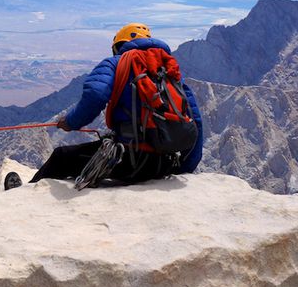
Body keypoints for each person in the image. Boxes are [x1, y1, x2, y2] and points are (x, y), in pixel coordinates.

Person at [29, 22, 203, 185]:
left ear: (119, 46)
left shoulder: (117, 62)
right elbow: (195, 121)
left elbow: (96, 94)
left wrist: (70, 122)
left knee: (61, 157)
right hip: (164, 163)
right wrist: (184, 168)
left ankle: (23, 194)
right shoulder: (169, 71)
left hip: (129, 162)